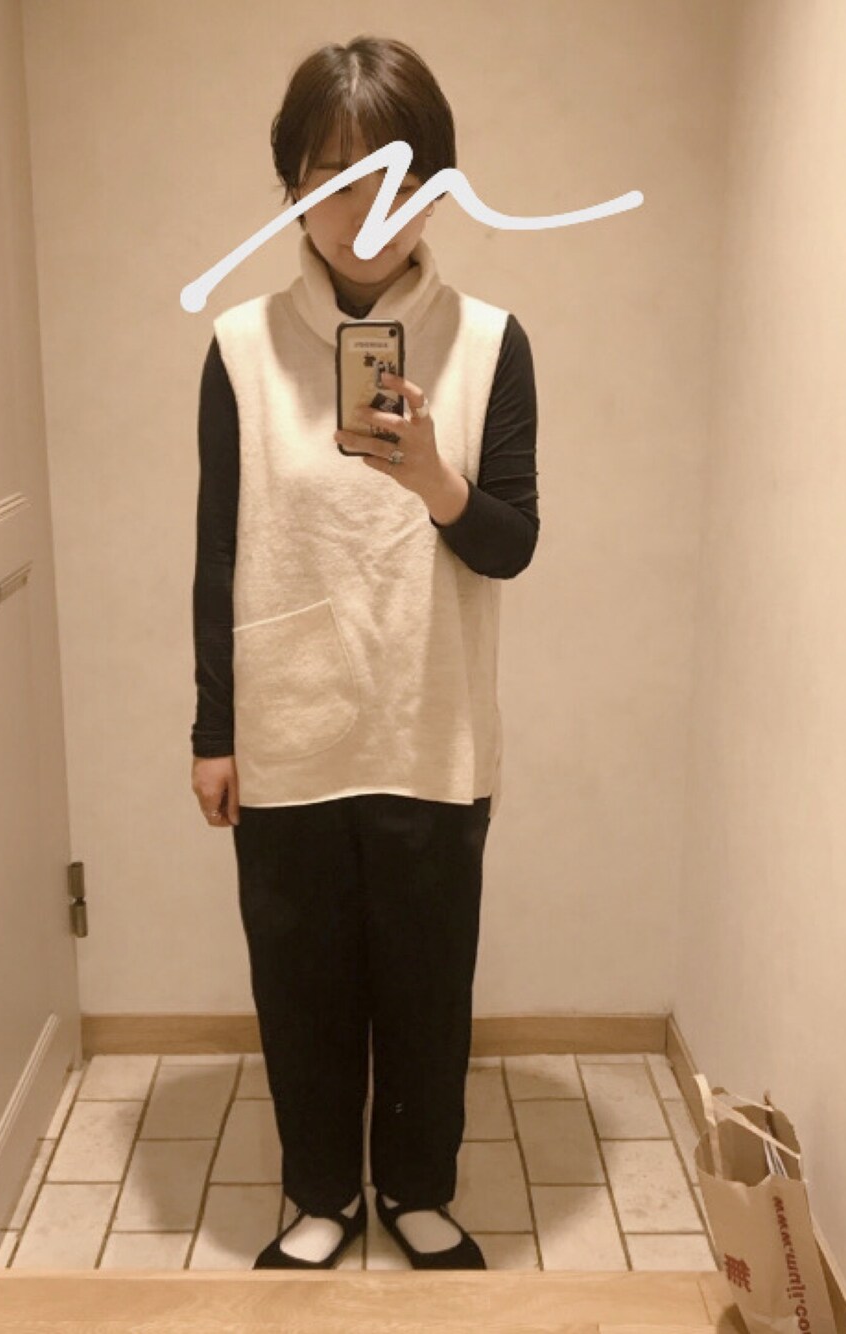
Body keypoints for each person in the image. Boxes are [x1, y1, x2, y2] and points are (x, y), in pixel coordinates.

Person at [190, 35, 539, 1270]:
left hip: (431, 726)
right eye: (337, 177)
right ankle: (321, 1192)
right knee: (302, 989)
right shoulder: (240, 346)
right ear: (292, 187)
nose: (367, 210)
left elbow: (509, 545)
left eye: (398, 176)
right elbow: (218, 550)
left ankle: (419, 1189)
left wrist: (436, 477)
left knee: (429, 989)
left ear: (440, 187)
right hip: (289, 732)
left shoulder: (490, 340)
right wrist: (213, 730)